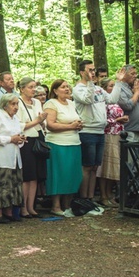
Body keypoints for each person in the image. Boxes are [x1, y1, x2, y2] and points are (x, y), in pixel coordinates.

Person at [72, 61, 123, 200]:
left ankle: (90, 198)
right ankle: (84, 199)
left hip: (100, 131)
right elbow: (87, 100)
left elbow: (112, 99)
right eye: (89, 70)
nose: (93, 73)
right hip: (87, 131)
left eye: (94, 70)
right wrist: (89, 83)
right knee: (87, 167)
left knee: (95, 167)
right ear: (82, 72)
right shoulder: (78, 89)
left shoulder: (98, 89)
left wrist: (118, 82)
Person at [44, 79, 83, 215]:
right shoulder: (51, 104)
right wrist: (70, 126)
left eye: (67, 86)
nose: (67, 89)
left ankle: (67, 204)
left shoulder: (71, 103)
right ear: (55, 91)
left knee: (72, 173)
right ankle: (55, 206)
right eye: (63, 87)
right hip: (58, 143)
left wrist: (78, 124)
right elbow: (50, 125)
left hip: (74, 142)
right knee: (60, 174)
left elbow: (74, 120)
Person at [0, 93, 25, 223]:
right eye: (13, 104)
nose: (16, 107)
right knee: (1, 185)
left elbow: (17, 135)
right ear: (5, 105)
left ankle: (8, 212)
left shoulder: (15, 118)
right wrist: (11, 139)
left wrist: (20, 139)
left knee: (13, 184)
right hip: (0, 157)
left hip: (14, 156)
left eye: (17, 104)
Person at [16, 77, 48, 218]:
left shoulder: (36, 102)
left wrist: (41, 122)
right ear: (22, 89)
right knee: (26, 176)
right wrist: (37, 121)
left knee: (35, 175)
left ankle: (31, 207)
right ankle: (23, 207)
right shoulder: (18, 102)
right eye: (30, 87)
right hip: (26, 140)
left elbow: (42, 122)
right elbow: (19, 125)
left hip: (38, 138)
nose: (33, 90)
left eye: (34, 86)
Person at [99, 77, 128, 207]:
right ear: (104, 88)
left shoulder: (116, 102)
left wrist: (124, 119)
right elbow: (102, 121)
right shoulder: (103, 102)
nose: (112, 88)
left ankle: (110, 194)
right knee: (106, 166)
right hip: (109, 134)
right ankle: (103, 196)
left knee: (114, 166)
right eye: (110, 86)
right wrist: (117, 120)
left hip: (119, 134)